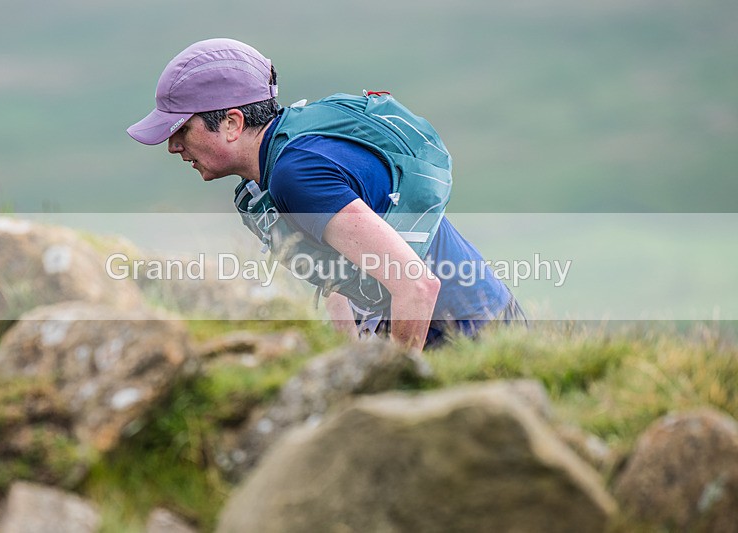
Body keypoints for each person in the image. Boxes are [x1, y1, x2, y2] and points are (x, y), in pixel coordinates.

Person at [127, 38, 526, 350]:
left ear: (232, 122)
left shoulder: (295, 174)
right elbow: (336, 268)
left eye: (182, 129)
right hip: (481, 320)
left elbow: (416, 285)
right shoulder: (285, 155)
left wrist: (390, 382)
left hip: (468, 340)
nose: (173, 146)